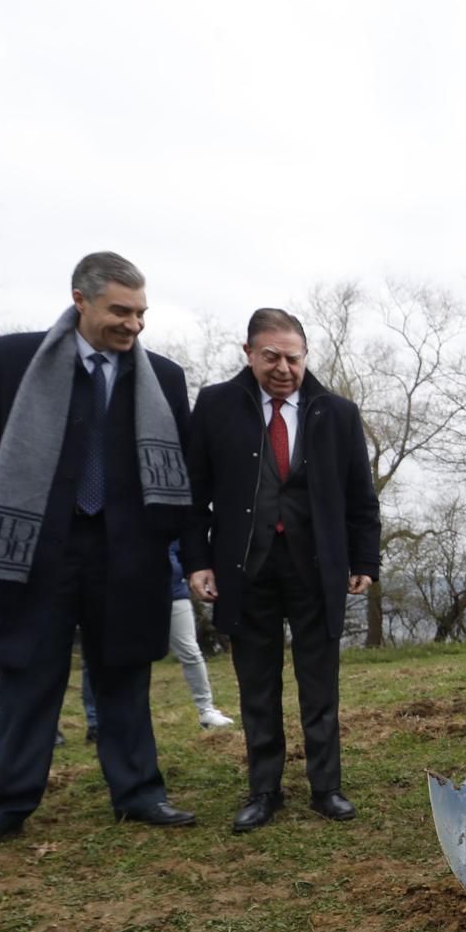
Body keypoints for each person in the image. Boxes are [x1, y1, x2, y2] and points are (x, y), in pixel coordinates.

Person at [0, 251, 197, 861]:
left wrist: (169, 545)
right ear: (80, 300)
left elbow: (183, 472)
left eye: (140, 313)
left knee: (125, 677)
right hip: (35, 555)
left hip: (127, 557)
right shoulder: (13, 359)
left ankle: (139, 794)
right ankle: (2, 807)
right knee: (29, 680)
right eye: (119, 310)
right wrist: (1, 513)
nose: (132, 325)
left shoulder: (163, 377)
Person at [182, 309, 381, 835]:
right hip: (244, 569)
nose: (284, 368)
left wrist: (365, 560)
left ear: (305, 356)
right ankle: (264, 790)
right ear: (248, 353)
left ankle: (326, 787)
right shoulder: (215, 406)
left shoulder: (337, 413)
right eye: (271, 356)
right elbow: (193, 495)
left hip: (317, 569)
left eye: (294, 357)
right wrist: (197, 561)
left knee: (320, 683)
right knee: (257, 685)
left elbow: (361, 495)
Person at [81, 543, 236, 738]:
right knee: (112, 655)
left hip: (173, 594)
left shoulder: (168, 518)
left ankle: (207, 710)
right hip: (126, 597)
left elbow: (188, 552)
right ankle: (97, 722)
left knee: (190, 652)